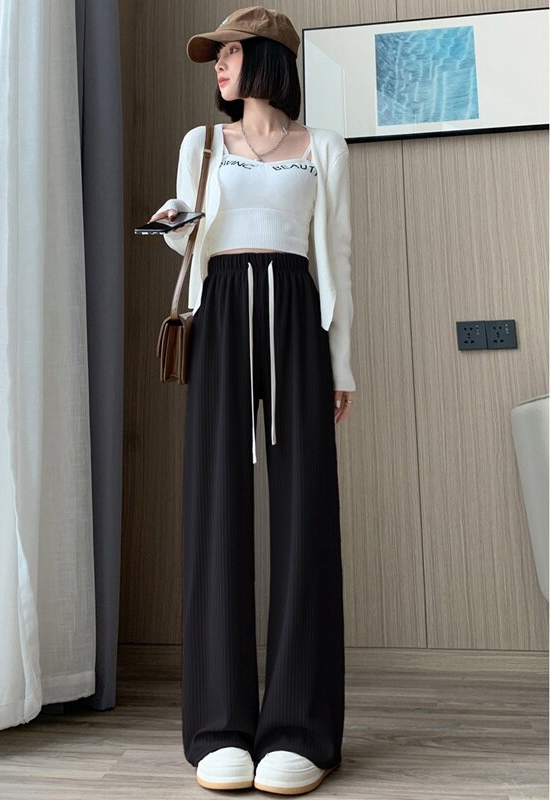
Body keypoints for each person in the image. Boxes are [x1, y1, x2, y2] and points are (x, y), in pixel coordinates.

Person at [147, 6, 356, 796]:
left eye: (231, 52)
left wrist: (343, 366)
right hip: (223, 311)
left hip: (298, 315)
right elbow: (192, 236)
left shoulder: (324, 148)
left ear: (268, 58)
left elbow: (338, 258)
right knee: (216, 509)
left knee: (305, 512)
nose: (220, 65)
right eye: (216, 56)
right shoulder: (201, 145)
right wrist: (175, 224)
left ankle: (300, 730)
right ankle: (219, 727)